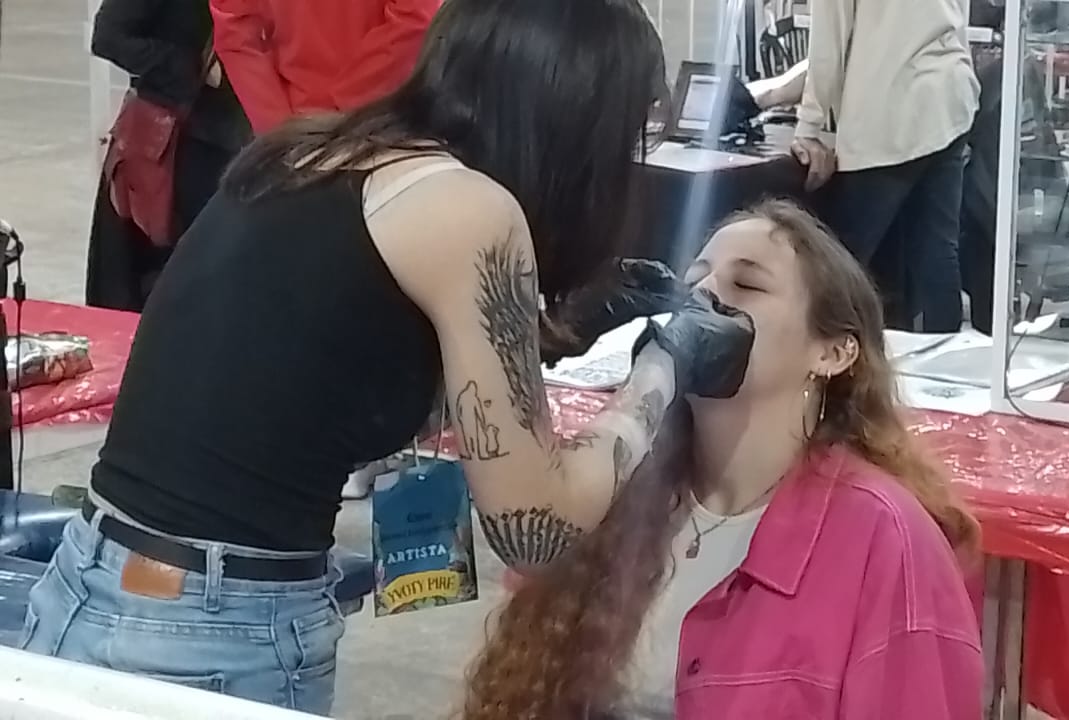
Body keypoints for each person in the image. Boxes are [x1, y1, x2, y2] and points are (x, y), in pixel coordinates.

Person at [20, 0, 753, 714]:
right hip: (206, 629)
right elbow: (536, 524)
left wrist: (557, 325)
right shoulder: (470, 211)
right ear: (578, 125)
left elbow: (314, 367)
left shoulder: (316, 152)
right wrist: (663, 367)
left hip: (91, 585)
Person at [465, 200, 984, 720]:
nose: (706, 295)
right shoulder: (614, 495)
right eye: (694, 283)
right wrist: (550, 334)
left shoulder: (886, 541)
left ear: (831, 353)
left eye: (747, 285)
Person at [791, 0, 979, 332]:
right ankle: (946, 360)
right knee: (935, 252)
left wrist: (809, 125)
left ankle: (834, 356)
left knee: (843, 261)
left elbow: (829, 39)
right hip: (949, 95)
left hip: (887, 110)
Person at [85, 0, 251, 311]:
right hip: (173, 149)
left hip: (235, 139)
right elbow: (108, 37)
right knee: (166, 282)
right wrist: (192, 68)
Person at [210, 0, 441, 134]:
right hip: (379, 123)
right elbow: (416, 19)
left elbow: (235, 33)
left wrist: (277, 127)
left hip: (296, 127)